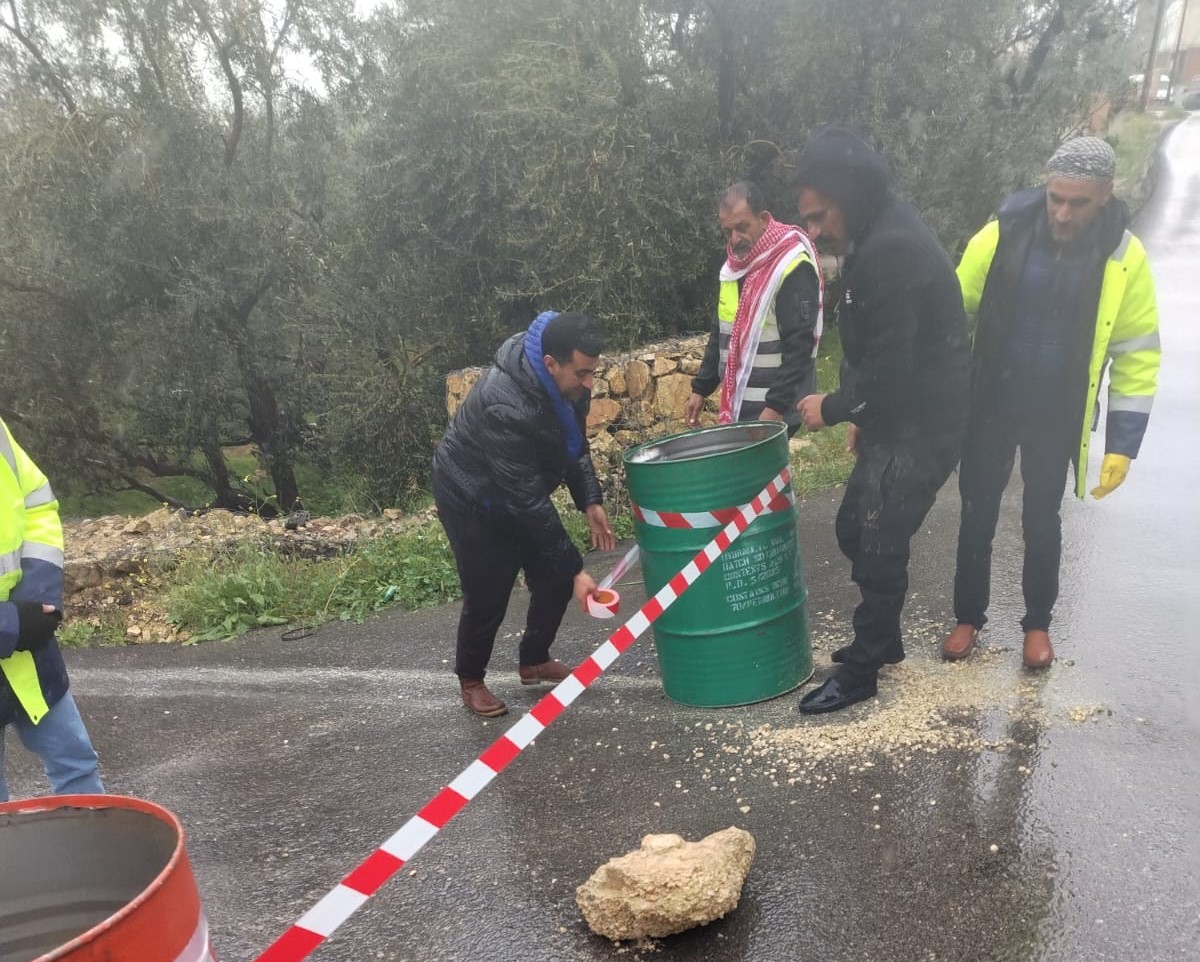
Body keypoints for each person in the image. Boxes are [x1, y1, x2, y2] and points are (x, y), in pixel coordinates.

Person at [941, 137, 1160, 669]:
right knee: (976, 511)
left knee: (1042, 518)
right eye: (1055, 198)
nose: (1062, 213)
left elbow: (1137, 353)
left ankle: (1037, 625)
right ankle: (967, 617)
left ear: (1106, 194)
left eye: (1077, 203)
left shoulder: (1124, 257)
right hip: (993, 401)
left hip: (1056, 410)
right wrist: (937, 393)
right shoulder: (1001, 234)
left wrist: (1123, 443)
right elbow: (950, 313)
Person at [792, 127, 970, 714]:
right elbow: (874, 346)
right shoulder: (872, 230)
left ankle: (864, 670)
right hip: (897, 413)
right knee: (855, 529)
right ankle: (884, 638)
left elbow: (892, 370)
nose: (813, 232)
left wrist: (835, 407)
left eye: (818, 217)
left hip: (925, 422)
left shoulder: (891, 249)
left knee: (878, 541)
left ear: (849, 193)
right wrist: (862, 411)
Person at [432, 311, 616, 717]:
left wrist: (590, 500)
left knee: (553, 573)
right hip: (470, 496)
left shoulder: (570, 384)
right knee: (489, 586)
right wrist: (576, 569)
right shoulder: (504, 403)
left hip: (516, 488)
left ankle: (534, 660)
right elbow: (528, 500)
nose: (590, 383)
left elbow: (573, 444)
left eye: (592, 372)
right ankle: (471, 679)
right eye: (582, 373)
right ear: (550, 364)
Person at [1, 418, 105, 800]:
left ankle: (91, 838)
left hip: (28, 648)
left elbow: (37, 504)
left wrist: (38, 598)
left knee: (76, 765)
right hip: (18, 628)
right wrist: (10, 623)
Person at [686, 181, 822, 433]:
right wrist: (700, 388)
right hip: (739, 408)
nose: (735, 239)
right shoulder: (733, 269)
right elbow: (721, 334)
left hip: (775, 410)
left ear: (763, 219)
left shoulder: (791, 266)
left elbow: (800, 345)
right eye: (728, 232)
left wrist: (774, 408)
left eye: (742, 227)